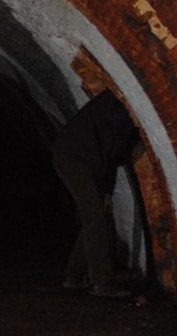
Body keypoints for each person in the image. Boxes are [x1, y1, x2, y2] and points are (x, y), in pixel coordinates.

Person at [51, 88, 142, 298]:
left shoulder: (121, 109)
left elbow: (110, 155)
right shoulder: (120, 105)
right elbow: (112, 152)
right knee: (95, 217)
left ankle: (74, 274)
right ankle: (101, 281)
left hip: (82, 158)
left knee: (97, 216)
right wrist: (106, 190)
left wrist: (107, 193)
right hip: (74, 158)